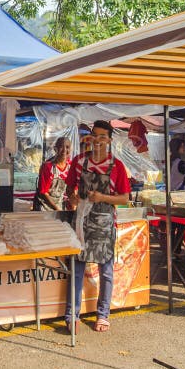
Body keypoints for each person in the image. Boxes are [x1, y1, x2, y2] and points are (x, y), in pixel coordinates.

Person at [65, 120, 130, 333]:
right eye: (95, 135)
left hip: (104, 222)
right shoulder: (78, 161)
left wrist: (102, 197)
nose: (98, 140)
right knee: (76, 268)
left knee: (106, 271)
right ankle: (72, 315)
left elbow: (124, 198)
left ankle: (103, 314)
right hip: (81, 222)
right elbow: (70, 188)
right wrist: (73, 197)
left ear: (110, 140)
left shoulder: (117, 166)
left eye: (103, 137)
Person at [33, 137, 72, 211]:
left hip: (58, 206)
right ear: (55, 149)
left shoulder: (71, 166)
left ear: (71, 149)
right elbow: (43, 192)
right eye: (61, 146)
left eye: (67, 147)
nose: (64, 150)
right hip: (43, 207)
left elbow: (71, 189)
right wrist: (57, 209)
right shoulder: (47, 167)